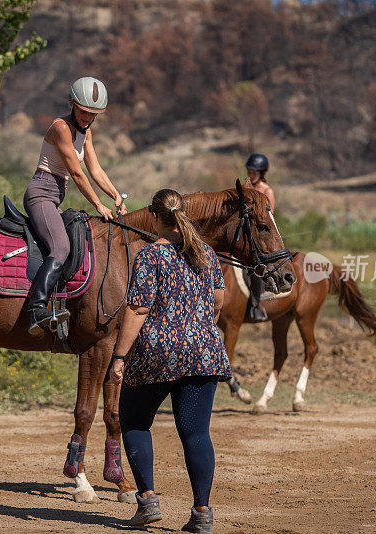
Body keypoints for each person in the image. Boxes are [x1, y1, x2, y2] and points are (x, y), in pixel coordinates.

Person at [109, 189, 231, 533]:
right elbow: (218, 300)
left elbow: (137, 309)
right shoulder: (206, 252)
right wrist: (198, 328)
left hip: (158, 353)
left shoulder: (150, 256)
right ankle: (202, 514)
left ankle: (147, 501)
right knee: (195, 433)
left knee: (132, 421)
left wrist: (119, 356)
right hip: (204, 351)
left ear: (153, 215)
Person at [24, 77, 127, 335]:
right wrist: (98, 204)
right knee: (61, 246)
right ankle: (35, 310)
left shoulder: (87, 132)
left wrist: (115, 195)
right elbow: (77, 172)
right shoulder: (60, 127)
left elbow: (94, 168)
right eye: (83, 111)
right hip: (40, 194)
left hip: (54, 197)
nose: (87, 117)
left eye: (93, 114)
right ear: (72, 104)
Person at [243, 153, 275, 321]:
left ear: (261, 173)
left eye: (254, 172)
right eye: (249, 171)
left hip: (262, 237)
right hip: (245, 235)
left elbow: (269, 218)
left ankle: (255, 306)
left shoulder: (266, 191)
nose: (251, 175)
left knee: (255, 267)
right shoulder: (247, 188)